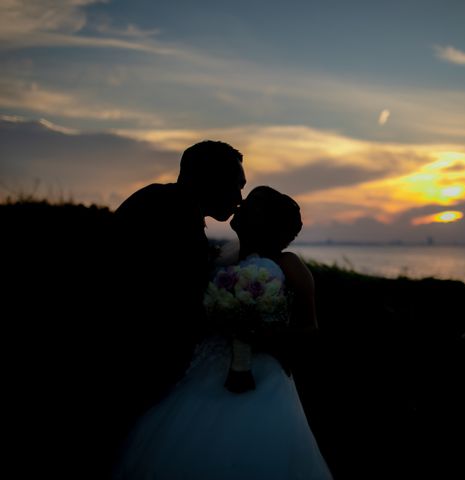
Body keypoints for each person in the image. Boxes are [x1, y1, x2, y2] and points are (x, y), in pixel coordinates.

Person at [112, 186, 333, 480]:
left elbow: (311, 329)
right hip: (206, 366)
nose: (240, 205)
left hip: (260, 374)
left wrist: (263, 337)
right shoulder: (219, 258)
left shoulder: (289, 264)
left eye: (251, 204)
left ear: (266, 219)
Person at [105, 140, 247, 470]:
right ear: (209, 178)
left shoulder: (163, 203)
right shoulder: (169, 215)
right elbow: (163, 302)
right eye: (235, 187)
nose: (240, 200)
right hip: (132, 366)